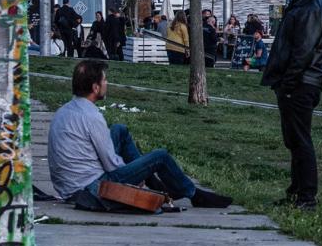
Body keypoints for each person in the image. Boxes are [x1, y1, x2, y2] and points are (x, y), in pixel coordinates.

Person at [47, 59, 233, 209]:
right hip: (92, 188)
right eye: (104, 80)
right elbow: (112, 165)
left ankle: (157, 185)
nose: (107, 83)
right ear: (95, 88)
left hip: (70, 186)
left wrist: (138, 170)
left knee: (119, 130)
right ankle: (194, 195)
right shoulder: (91, 116)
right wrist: (138, 173)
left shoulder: (64, 111)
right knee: (160, 157)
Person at [261, 0, 322, 211]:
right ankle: (296, 191)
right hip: (295, 82)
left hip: (302, 83)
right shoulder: (299, 4)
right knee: (293, 139)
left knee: (300, 139)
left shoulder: (309, 9)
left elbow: (303, 52)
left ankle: (307, 197)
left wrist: (288, 84)